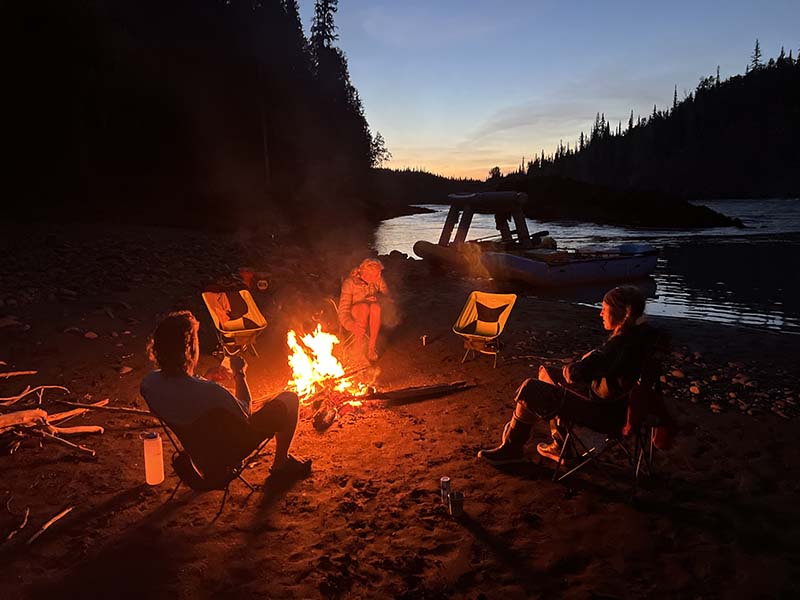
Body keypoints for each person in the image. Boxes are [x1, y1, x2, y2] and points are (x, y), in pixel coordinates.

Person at [478, 285, 662, 465]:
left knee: (531, 388)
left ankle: (512, 447)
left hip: (605, 414)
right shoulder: (641, 338)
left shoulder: (618, 346)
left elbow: (575, 374)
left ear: (620, 312)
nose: (600, 314)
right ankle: (559, 445)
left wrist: (583, 360)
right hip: (622, 407)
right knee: (547, 373)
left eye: (604, 309)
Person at [141, 311, 311, 479]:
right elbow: (245, 413)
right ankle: (281, 463)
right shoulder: (212, 392)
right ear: (189, 350)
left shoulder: (149, 384)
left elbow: (183, 397)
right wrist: (239, 374)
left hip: (197, 457)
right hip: (229, 454)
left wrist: (205, 379)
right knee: (290, 398)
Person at [338, 258, 392, 363]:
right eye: (376, 275)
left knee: (375, 307)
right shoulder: (350, 283)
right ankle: (357, 349)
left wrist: (378, 297)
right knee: (363, 307)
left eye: (379, 274)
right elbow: (343, 310)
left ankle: (371, 348)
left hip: (374, 314)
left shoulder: (378, 280)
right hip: (355, 313)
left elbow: (388, 299)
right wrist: (351, 325)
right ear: (366, 274)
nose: (379, 277)